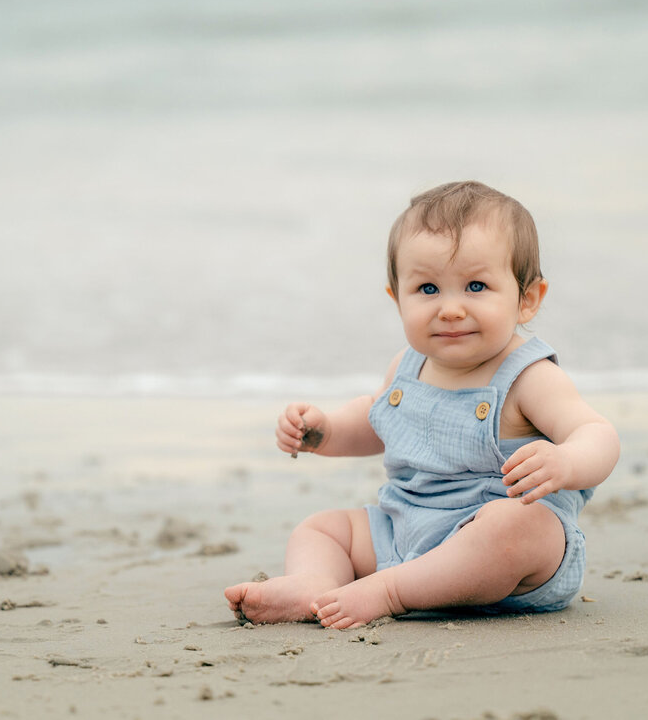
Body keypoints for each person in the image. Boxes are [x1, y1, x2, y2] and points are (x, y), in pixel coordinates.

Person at [224, 180, 620, 629]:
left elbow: (598, 434)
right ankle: (313, 582)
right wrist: (326, 431)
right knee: (322, 528)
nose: (450, 309)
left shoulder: (529, 377)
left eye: (475, 285)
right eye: (428, 290)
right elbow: (376, 421)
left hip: (503, 556)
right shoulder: (406, 368)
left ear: (526, 300)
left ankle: (389, 591)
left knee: (516, 527)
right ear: (398, 299)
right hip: (406, 529)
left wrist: (566, 460)